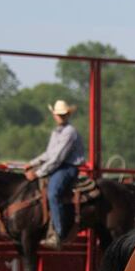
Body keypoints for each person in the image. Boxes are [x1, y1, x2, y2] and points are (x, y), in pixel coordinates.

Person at [23, 100, 86, 249]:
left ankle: (59, 233)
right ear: (55, 115)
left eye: (63, 115)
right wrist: (32, 163)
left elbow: (58, 157)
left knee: (53, 193)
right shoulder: (57, 131)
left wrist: (38, 172)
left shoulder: (69, 132)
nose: (60, 117)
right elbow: (49, 153)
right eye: (59, 115)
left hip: (68, 168)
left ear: (67, 115)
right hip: (59, 166)